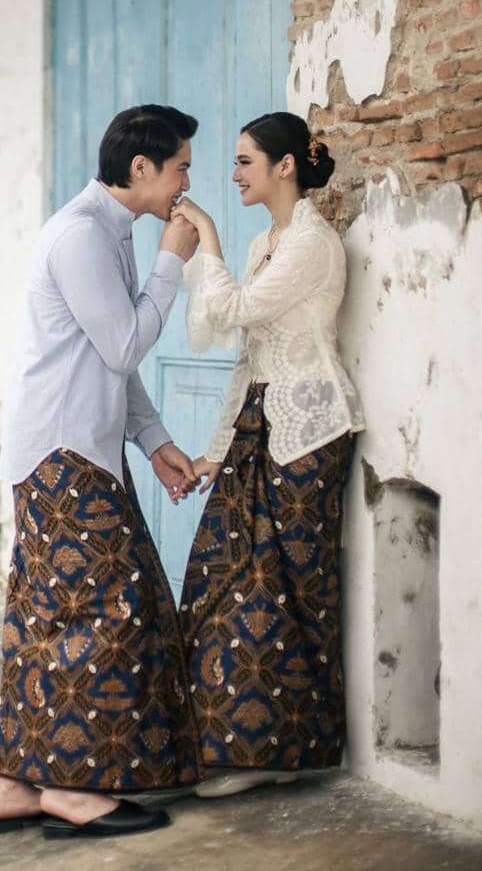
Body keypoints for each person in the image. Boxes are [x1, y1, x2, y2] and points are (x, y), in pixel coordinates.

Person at [0, 105, 205, 840]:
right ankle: (74, 791)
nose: (185, 182)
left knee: (46, 615)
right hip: (63, 456)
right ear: (140, 169)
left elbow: (110, 358)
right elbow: (123, 344)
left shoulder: (105, 232)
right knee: (108, 612)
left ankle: (13, 784)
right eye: (180, 167)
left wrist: (155, 440)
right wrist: (175, 259)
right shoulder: (81, 236)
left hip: (75, 451)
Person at [170, 111, 364, 798]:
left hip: (311, 431)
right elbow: (245, 359)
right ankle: (231, 745)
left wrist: (209, 241)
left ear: (285, 166)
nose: (233, 174)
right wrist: (213, 451)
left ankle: (288, 751)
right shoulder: (266, 243)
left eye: (245, 161)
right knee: (226, 580)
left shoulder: (312, 241)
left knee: (289, 595)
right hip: (258, 426)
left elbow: (241, 309)